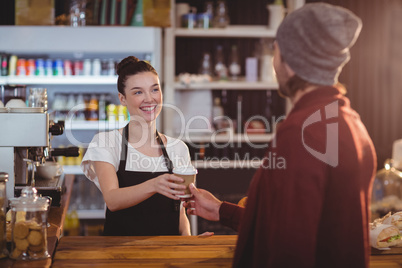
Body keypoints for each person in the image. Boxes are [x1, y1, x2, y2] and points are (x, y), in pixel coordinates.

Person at [184, 3, 377, 268]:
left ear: (292, 62)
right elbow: (294, 220)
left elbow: (290, 248)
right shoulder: (350, 123)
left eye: (276, 52)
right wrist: (221, 210)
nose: (274, 63)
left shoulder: (302, 133)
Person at [81, 56, 192, 236]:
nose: (150, 99)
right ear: (122, 99)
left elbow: (179, 212)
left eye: (154, 89)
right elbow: (112, 200)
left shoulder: (178, 148)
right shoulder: (106, 143)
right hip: (120, 257)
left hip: (168, 258)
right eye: (138, 92)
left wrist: (188, 244)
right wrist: (155, 185)